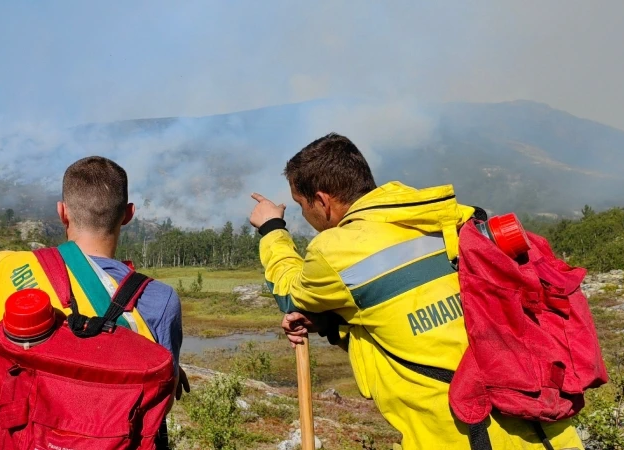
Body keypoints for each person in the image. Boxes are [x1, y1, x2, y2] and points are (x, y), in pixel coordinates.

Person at [249, 133, 583, 449]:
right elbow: (398, 314)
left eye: (300, 204)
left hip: (464, 437)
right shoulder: (447, 218)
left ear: (322, 201)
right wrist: (331, 325)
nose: (305, 214)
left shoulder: (337, 250)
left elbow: (291, 295)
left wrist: (272, 228)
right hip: (552, 432)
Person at [0, 156, 187, 447]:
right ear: (128, 214)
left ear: (62, 212)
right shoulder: (160, 299)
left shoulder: (3, 269)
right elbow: (159, 405)